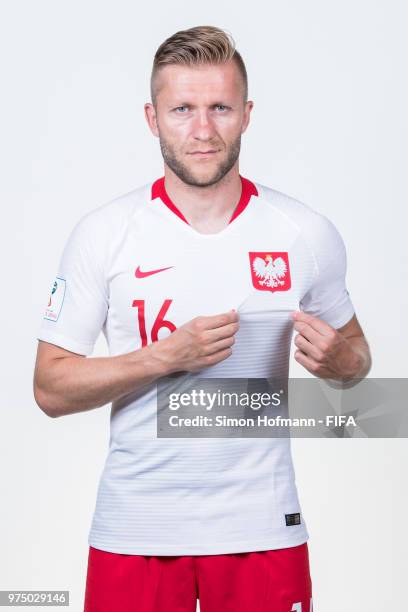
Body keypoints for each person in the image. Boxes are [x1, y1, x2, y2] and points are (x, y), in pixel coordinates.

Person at [33, 25, 371, 612]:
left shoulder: (303, 233)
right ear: (151, 117)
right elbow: (49, 388)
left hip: (263, 531)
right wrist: (164, 357)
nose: (203, 129)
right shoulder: (105, 234)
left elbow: (357, 362)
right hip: (134, 532)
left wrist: (342, 363)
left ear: (246, 113)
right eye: (182, 109)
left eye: (220, 107)